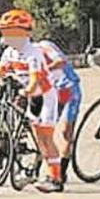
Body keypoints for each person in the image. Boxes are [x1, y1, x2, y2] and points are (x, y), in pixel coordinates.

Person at [0, 9, 63, 193]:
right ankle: (38, 170)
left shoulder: (33, 52)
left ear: (22, 32)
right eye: (4, 31)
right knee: (38, 137)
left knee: (45, 137)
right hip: (30, 96)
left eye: (9, 31)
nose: (5, 36)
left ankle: (56, 178)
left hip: (44, 97)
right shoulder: (9, 52)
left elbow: (35, 79)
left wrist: (26, 91)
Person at [36, 39, 81, 184]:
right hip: (52, 93)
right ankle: (36, 169)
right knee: (44, 131)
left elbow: (60, 61)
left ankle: (61, 173)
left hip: (69, 89)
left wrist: (43, 70)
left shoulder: (44, 46)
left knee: (65, 133)